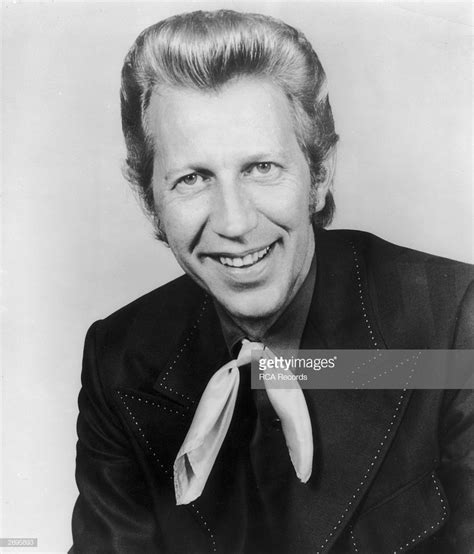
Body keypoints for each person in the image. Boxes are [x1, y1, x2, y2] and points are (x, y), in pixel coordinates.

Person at [70, 10, 474, 553]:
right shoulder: (116, 358)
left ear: (320, 171)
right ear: (149, 202)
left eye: (261, 168)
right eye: (192, 178)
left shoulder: (453, 321)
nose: (234, 224)